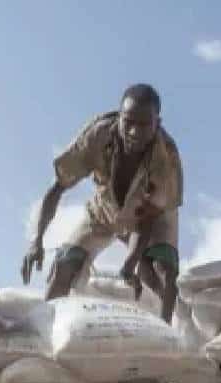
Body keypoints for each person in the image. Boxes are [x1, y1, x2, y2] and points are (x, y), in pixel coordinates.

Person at [23, 83, 183, 322]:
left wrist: (131, 263)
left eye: (144, 125)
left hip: (153, 214)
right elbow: (57, 189)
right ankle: (45, 332)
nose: (134, 133)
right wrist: (36, 241)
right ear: (119, 117)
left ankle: (169, 334)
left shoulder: (165, 161)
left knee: (161, 271)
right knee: (65, 263)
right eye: (128, 122)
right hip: (105, 208)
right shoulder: (96, 136)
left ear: (157, 124)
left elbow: (146, 221)